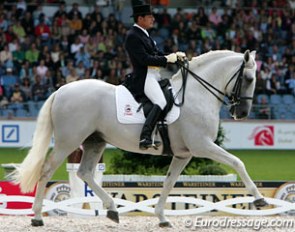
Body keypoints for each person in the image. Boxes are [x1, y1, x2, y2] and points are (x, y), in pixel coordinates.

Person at [124, 0, 185, 150]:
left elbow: (156, 54)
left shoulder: (144, 35)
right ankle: (145, 136)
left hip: (154, 75)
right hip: (144, 77)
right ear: (140, 19)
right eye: (150, 17)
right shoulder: (133, 36)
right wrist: (166, 59)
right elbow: (144, 59)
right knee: (160, 101)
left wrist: (174, 56)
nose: (153, 19)